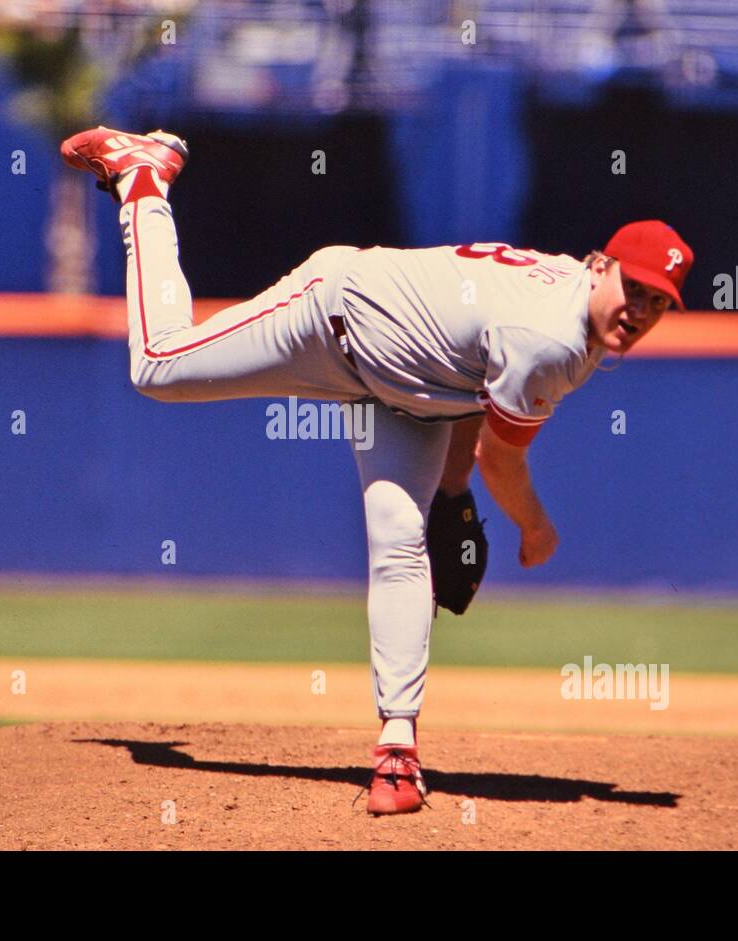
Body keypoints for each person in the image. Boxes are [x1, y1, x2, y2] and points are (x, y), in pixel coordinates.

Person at [61, 126, 694, 815]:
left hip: (413, 392)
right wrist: (535, 528)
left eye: (660, 300)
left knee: (400, 538)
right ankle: (144, 181)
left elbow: (477, 383)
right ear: (601, 265)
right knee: (158, 364)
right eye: (636, 286)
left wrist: (451, 492)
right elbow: (502, 456)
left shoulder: (572, 305)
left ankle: (397, 752)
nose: (643, 309)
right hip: (332, 317)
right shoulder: (552, 338)